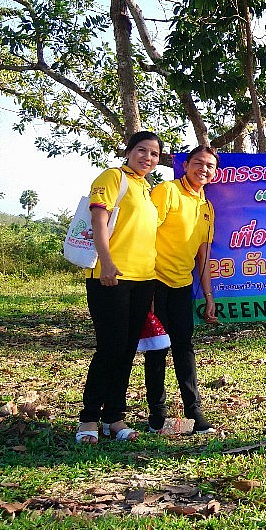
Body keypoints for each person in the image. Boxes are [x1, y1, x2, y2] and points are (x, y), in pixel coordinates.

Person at [75, 131, 163, 444]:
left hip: (143, 279)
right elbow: (98, 221)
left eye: (154, 154)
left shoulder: (146, 188)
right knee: (110, 348)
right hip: (111, 276)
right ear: (128, 152)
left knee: (126, 350)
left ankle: (114, 418)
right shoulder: (113, 177)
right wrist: (107, 261)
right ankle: (88, 418)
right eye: (142, 150)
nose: (147, 158)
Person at [145, 145, 221, 434]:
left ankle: (194, 412)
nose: (203, 169)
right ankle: (157, 415)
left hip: (182, 286)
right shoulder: (167, 191)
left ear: (215, 173)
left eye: (210, 166)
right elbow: (145, 234)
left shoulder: (207, 208)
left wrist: (209, 296)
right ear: (185, 165)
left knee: (184, 347)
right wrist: (146, 287)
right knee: (157, 348)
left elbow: (203, 256)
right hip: (154, 282)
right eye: (198, 163)